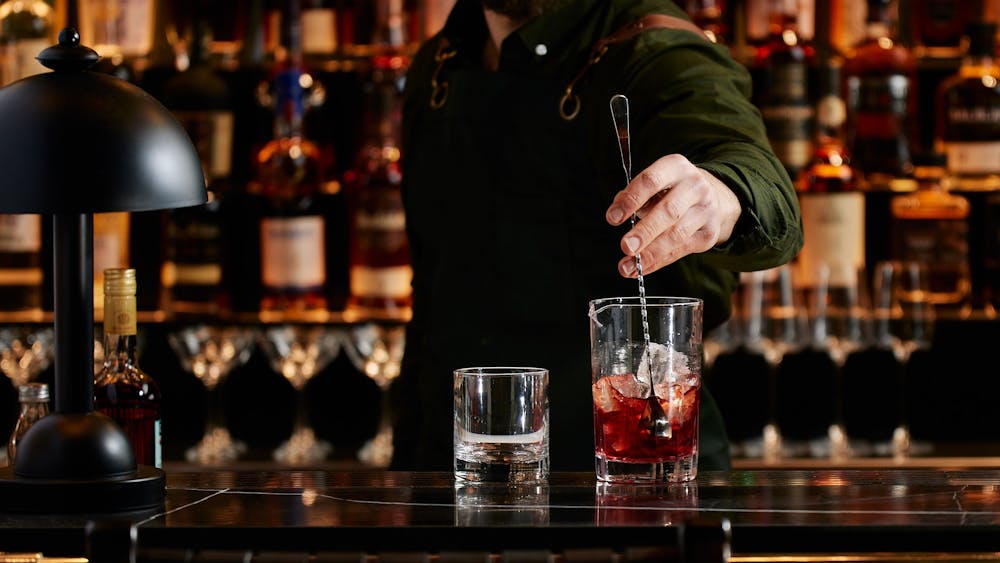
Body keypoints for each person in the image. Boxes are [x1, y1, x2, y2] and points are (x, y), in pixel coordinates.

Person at [389, 0, 803, 472]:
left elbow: (770, 199)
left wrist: (725, 195)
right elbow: (430, 301)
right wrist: (405, 478)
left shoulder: (658, 50)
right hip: (456, 485)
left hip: (635, 484)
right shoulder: (438, 64)